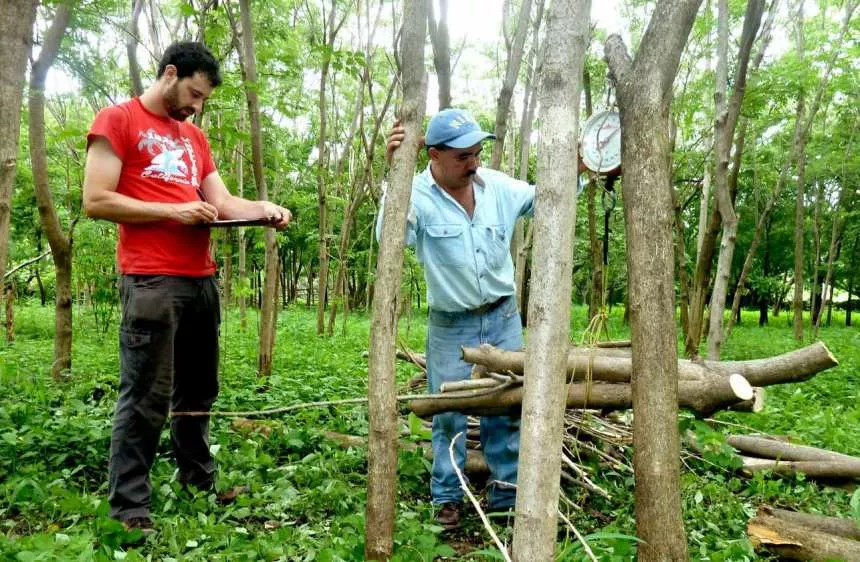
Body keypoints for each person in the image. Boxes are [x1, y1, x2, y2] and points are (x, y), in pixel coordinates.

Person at [82, 41, 291, 536]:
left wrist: (263, 208)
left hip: (200, 279)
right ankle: (129, 506)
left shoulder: (193, 140)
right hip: (151, 278)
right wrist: (173, 211)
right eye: (193, 94)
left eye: (202, 101)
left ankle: (197, 478)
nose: (195, 107)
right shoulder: (117, 120)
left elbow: (220, 202)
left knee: (199, 389)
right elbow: (95, 200)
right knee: (145, 395)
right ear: (170, 73)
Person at [379, 108, 534, 528]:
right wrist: (393, 178)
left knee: (506, 406)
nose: (474, 163)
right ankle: (447, 499)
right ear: (433, 154)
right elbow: (388, 238)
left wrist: (579, 166)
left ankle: (506, 495)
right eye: (463, 156)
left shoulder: (498, 186)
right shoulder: (413, 194)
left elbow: (545, 199)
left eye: (477, 152)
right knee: (448, 412)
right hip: (451, 325)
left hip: (503, 316)